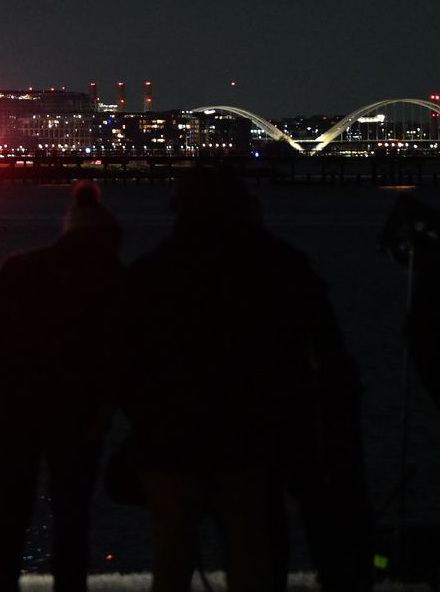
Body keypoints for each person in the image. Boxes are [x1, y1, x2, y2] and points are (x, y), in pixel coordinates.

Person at [120, 168, 371, 592]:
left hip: (172, 433)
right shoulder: (281, 262)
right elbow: (330, 351)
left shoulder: (150, 272)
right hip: (256, 432)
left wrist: (138, 414)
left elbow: (122, 356)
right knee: (254, 546)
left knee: (174, 549)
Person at [0, 180, 123, 592]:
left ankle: (1, 585)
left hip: (13, 408)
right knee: (72, 517)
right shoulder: (112, 278)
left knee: (12, 513)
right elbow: (130, 351)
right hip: (78, 414)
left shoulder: (20, 267)